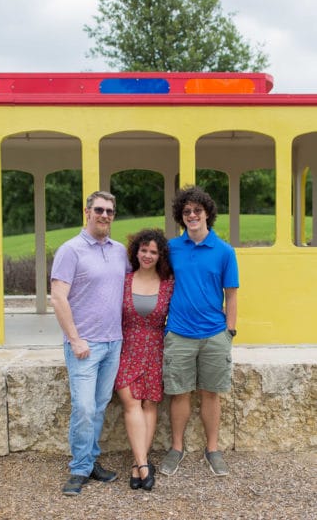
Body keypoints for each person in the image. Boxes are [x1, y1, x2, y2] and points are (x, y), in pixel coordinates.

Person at [50, 190, 131, 496]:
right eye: (99, 209)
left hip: (114, 342)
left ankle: (90, 461)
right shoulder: (71, 250)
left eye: (110, 211)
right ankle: (79, 469)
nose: (105, 215)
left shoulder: (119, 251)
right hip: (84, 344)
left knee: (97, 407)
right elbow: (58, 297)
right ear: (87, 212)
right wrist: (74, 339)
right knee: (83, 407)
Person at [159, 185, 239, 478]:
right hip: (179, 333)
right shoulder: (172, 248)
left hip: (214, 335)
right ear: (182, 217)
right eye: (186, 211)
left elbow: (231, 294)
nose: (192, 215)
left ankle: (213, 449)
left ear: (207, 214)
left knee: (210, 394)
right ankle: (177, 448)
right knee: (178, 394)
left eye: (197, 210)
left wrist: (229, 331)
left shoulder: (224, 251)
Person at [115, 228, 174, 491]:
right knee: (131, 403)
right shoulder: (123, 281)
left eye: (153, 251)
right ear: (135, 251)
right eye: (143, 250)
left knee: (150, 405)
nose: (148, 255)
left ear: (160, 255)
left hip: (155, 349)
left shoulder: (168, 283)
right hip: (127, 348)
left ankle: (138, 464)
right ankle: (143, 463)